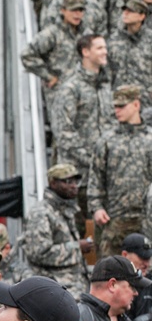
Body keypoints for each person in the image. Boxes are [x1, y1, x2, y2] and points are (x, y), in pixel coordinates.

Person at [50, 34, 114, 204]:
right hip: (78, 179)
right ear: (85, 52)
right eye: (99, 48)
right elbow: (63, 132)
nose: (105, 52)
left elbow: (112, 123)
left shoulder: (105, 85)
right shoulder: (70, 88)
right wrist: (93, 158)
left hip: (103, 178)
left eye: (105, 48)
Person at [90, 85, 152, 258]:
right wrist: (96, 208)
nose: (117, 110)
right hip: (114, 219)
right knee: (111, 271)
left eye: (122, 106)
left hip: (146, 218)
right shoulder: (107, 140)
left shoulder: (149, 139)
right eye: (115, 106)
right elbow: (96, 178)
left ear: (136, 105)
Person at [22, 163, 94, 298]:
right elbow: (38, 252)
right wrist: (77, 247)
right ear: (53, 183)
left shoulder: (66, 209)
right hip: (54, 288)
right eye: (68, 181)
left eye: (76, 181)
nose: (74, 186)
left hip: (73, 285)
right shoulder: (41, 213)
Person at [22, 0, 88, 108]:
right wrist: (48, 76)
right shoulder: (52, 34)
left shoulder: (86, 34)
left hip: (82, 93)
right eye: (73, 10)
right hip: (59, 94)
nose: (77, 14)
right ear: (63, 10)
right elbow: (27, 54)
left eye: (80, 10)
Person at [107, 0, 151, 107]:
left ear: (141, 16)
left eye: (131, 11)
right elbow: (107, 70)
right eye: (125, 10)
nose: (126, 13)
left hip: (146, 100)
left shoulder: (150, 39)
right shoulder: (113, 39)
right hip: (119, 99)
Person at [120, 232, 152, 317]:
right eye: (142, 258)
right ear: (125, 255)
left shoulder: (150, 282)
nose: (146, 264)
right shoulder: (114, 283)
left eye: (148, 259)